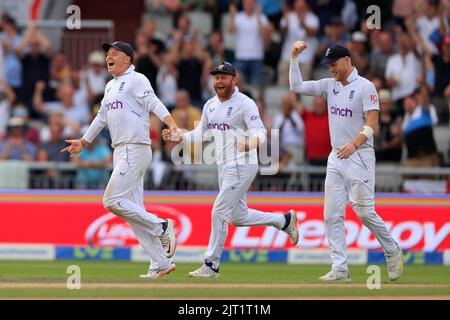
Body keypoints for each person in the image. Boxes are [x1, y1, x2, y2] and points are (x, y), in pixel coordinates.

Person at [163, 62, 299, 278]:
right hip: (224, 165)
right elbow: (201, 133)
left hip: (242, 163)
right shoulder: (209, 105)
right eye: (216, 77)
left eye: (223, 77)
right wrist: (179, 135)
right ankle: (284, 221)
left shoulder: (245, 103)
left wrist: (250, 144)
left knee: (219, 211)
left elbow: (261, 132)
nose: (219, 81)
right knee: (238, 216)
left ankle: (211, 264)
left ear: (234, 80)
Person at [61, 41, 178, 280]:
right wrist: (83, 142)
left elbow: (153, 102)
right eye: (108, 54)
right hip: (120, 151)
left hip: (135, 148)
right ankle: (160, 263)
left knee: (111, 200)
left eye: (115, 53)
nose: (109, 57)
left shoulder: (137, 79)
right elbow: (101, 118)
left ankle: (161, 226)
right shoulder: (110, 86)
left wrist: (171, 122)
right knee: (133, 212)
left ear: (128, 59)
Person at [289, 41, 403, 282]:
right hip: (336, 157)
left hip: (359, 156)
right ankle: (340, 268)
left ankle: (392, 249)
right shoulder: (329, 86)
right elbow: (295, 85)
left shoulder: (366, 87)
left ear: (347, 61)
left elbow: (372, 123)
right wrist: (294, 58)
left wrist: (354, 144)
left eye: (333, 64)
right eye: (328, 65)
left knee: (363, 211)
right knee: (331, 214)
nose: (330, 69)